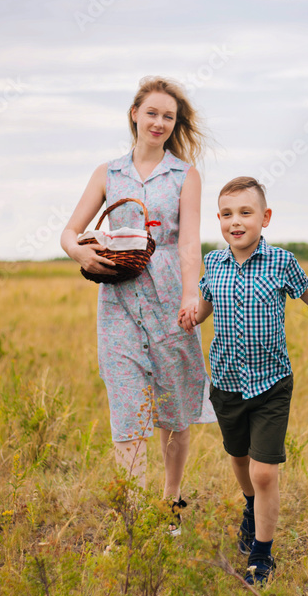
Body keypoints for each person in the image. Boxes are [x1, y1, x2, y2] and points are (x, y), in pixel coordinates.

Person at [179, 176, 308, 585]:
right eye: (226, 214)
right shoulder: (216, 263)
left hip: (271, 385)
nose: (235, 222)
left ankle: (261, 553)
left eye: (245, 212)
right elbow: (205, 303)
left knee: (264, 472)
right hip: (225, 385)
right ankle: (249, 505)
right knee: (239, 460)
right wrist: (193, 314)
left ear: (265, 217)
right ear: (218, 220)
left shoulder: (281, 262)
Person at [60, 76, 214, 531]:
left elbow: (189, 243)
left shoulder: (185, 175)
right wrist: (80, 252)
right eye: (152, 113)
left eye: (168, 116)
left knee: (174, 404)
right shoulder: (107, 173)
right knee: (126, 406)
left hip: (170, 299)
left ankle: (170, 505)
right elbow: (70, 231)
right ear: (134, 114)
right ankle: (129, 520)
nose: (159, 122)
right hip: (118, 303)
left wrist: (191, 293)